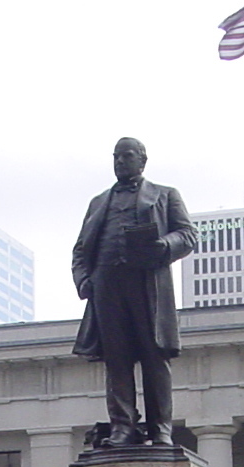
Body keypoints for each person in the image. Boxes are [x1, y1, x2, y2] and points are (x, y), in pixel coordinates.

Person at [71, 137, 197, 449]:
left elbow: (188, 234)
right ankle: (122, 427)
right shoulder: (98, 202)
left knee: (154, 357)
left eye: (127, 156)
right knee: (117, 360)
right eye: (116, 156)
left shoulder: (165, 195)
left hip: (147, 284)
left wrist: (163, 246)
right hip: (107, 286)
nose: (120, 161)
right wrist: (84, 279)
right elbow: (81, 248)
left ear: (142, 160)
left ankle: (160, 429)